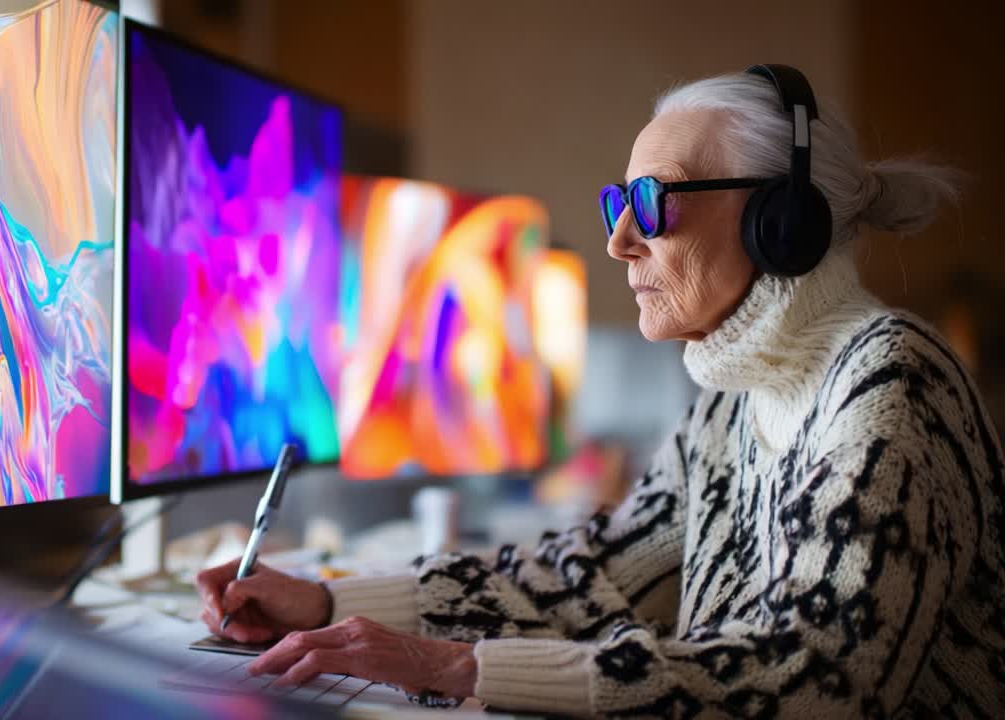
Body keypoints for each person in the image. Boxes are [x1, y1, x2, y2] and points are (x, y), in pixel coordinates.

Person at [195, 64, 1005, 717]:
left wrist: (460, 667)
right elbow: (602, 575)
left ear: (782, 220)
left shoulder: (889, 383)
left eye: (652, 202)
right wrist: (327, 603)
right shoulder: (733, 397)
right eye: (619, 202)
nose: (619, 241)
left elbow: (815, 681)